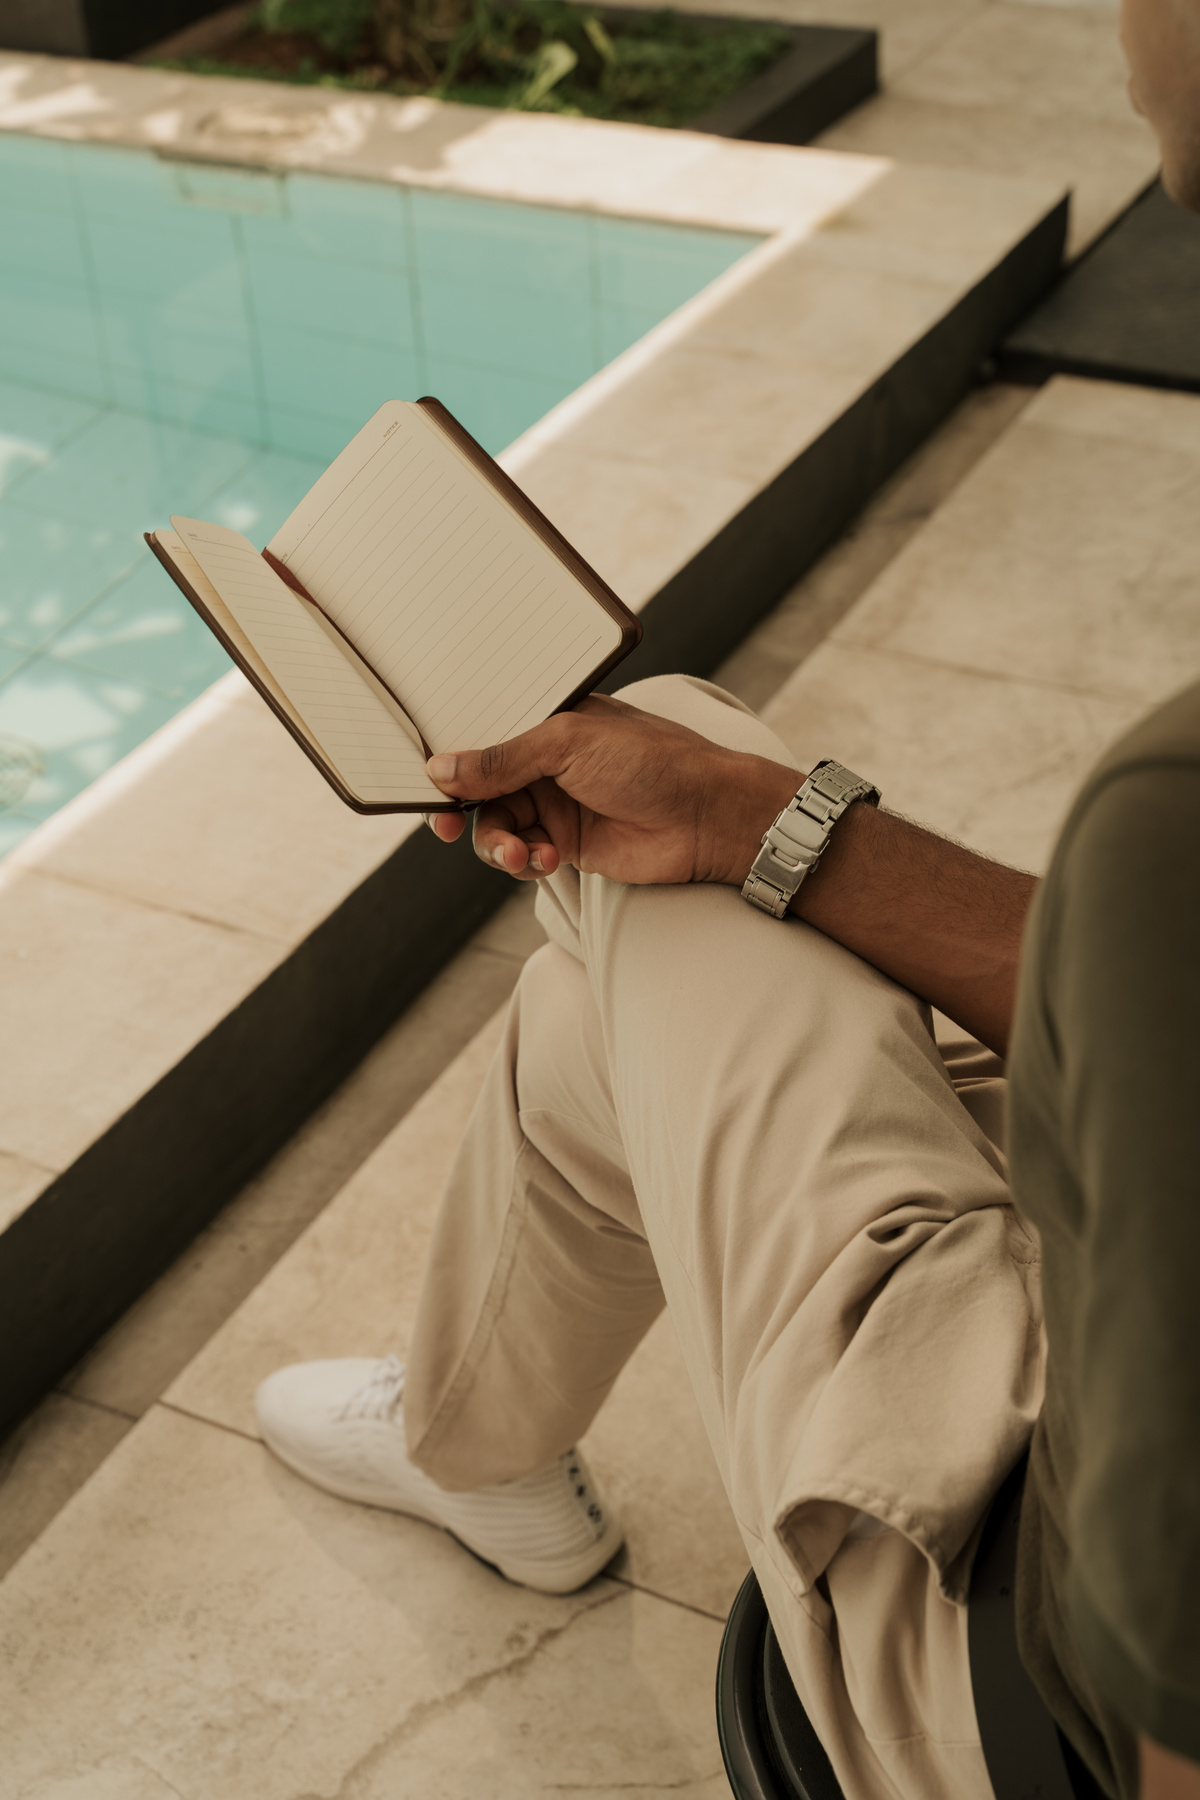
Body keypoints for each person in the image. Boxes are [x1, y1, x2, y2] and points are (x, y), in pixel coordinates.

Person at [252, 0, 1200, 1790]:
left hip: (1004, 1655)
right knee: (662, 846)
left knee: (629, 895)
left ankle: (477, 1452)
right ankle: (484, 1446)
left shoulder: (1176, 817)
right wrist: (768, 821)